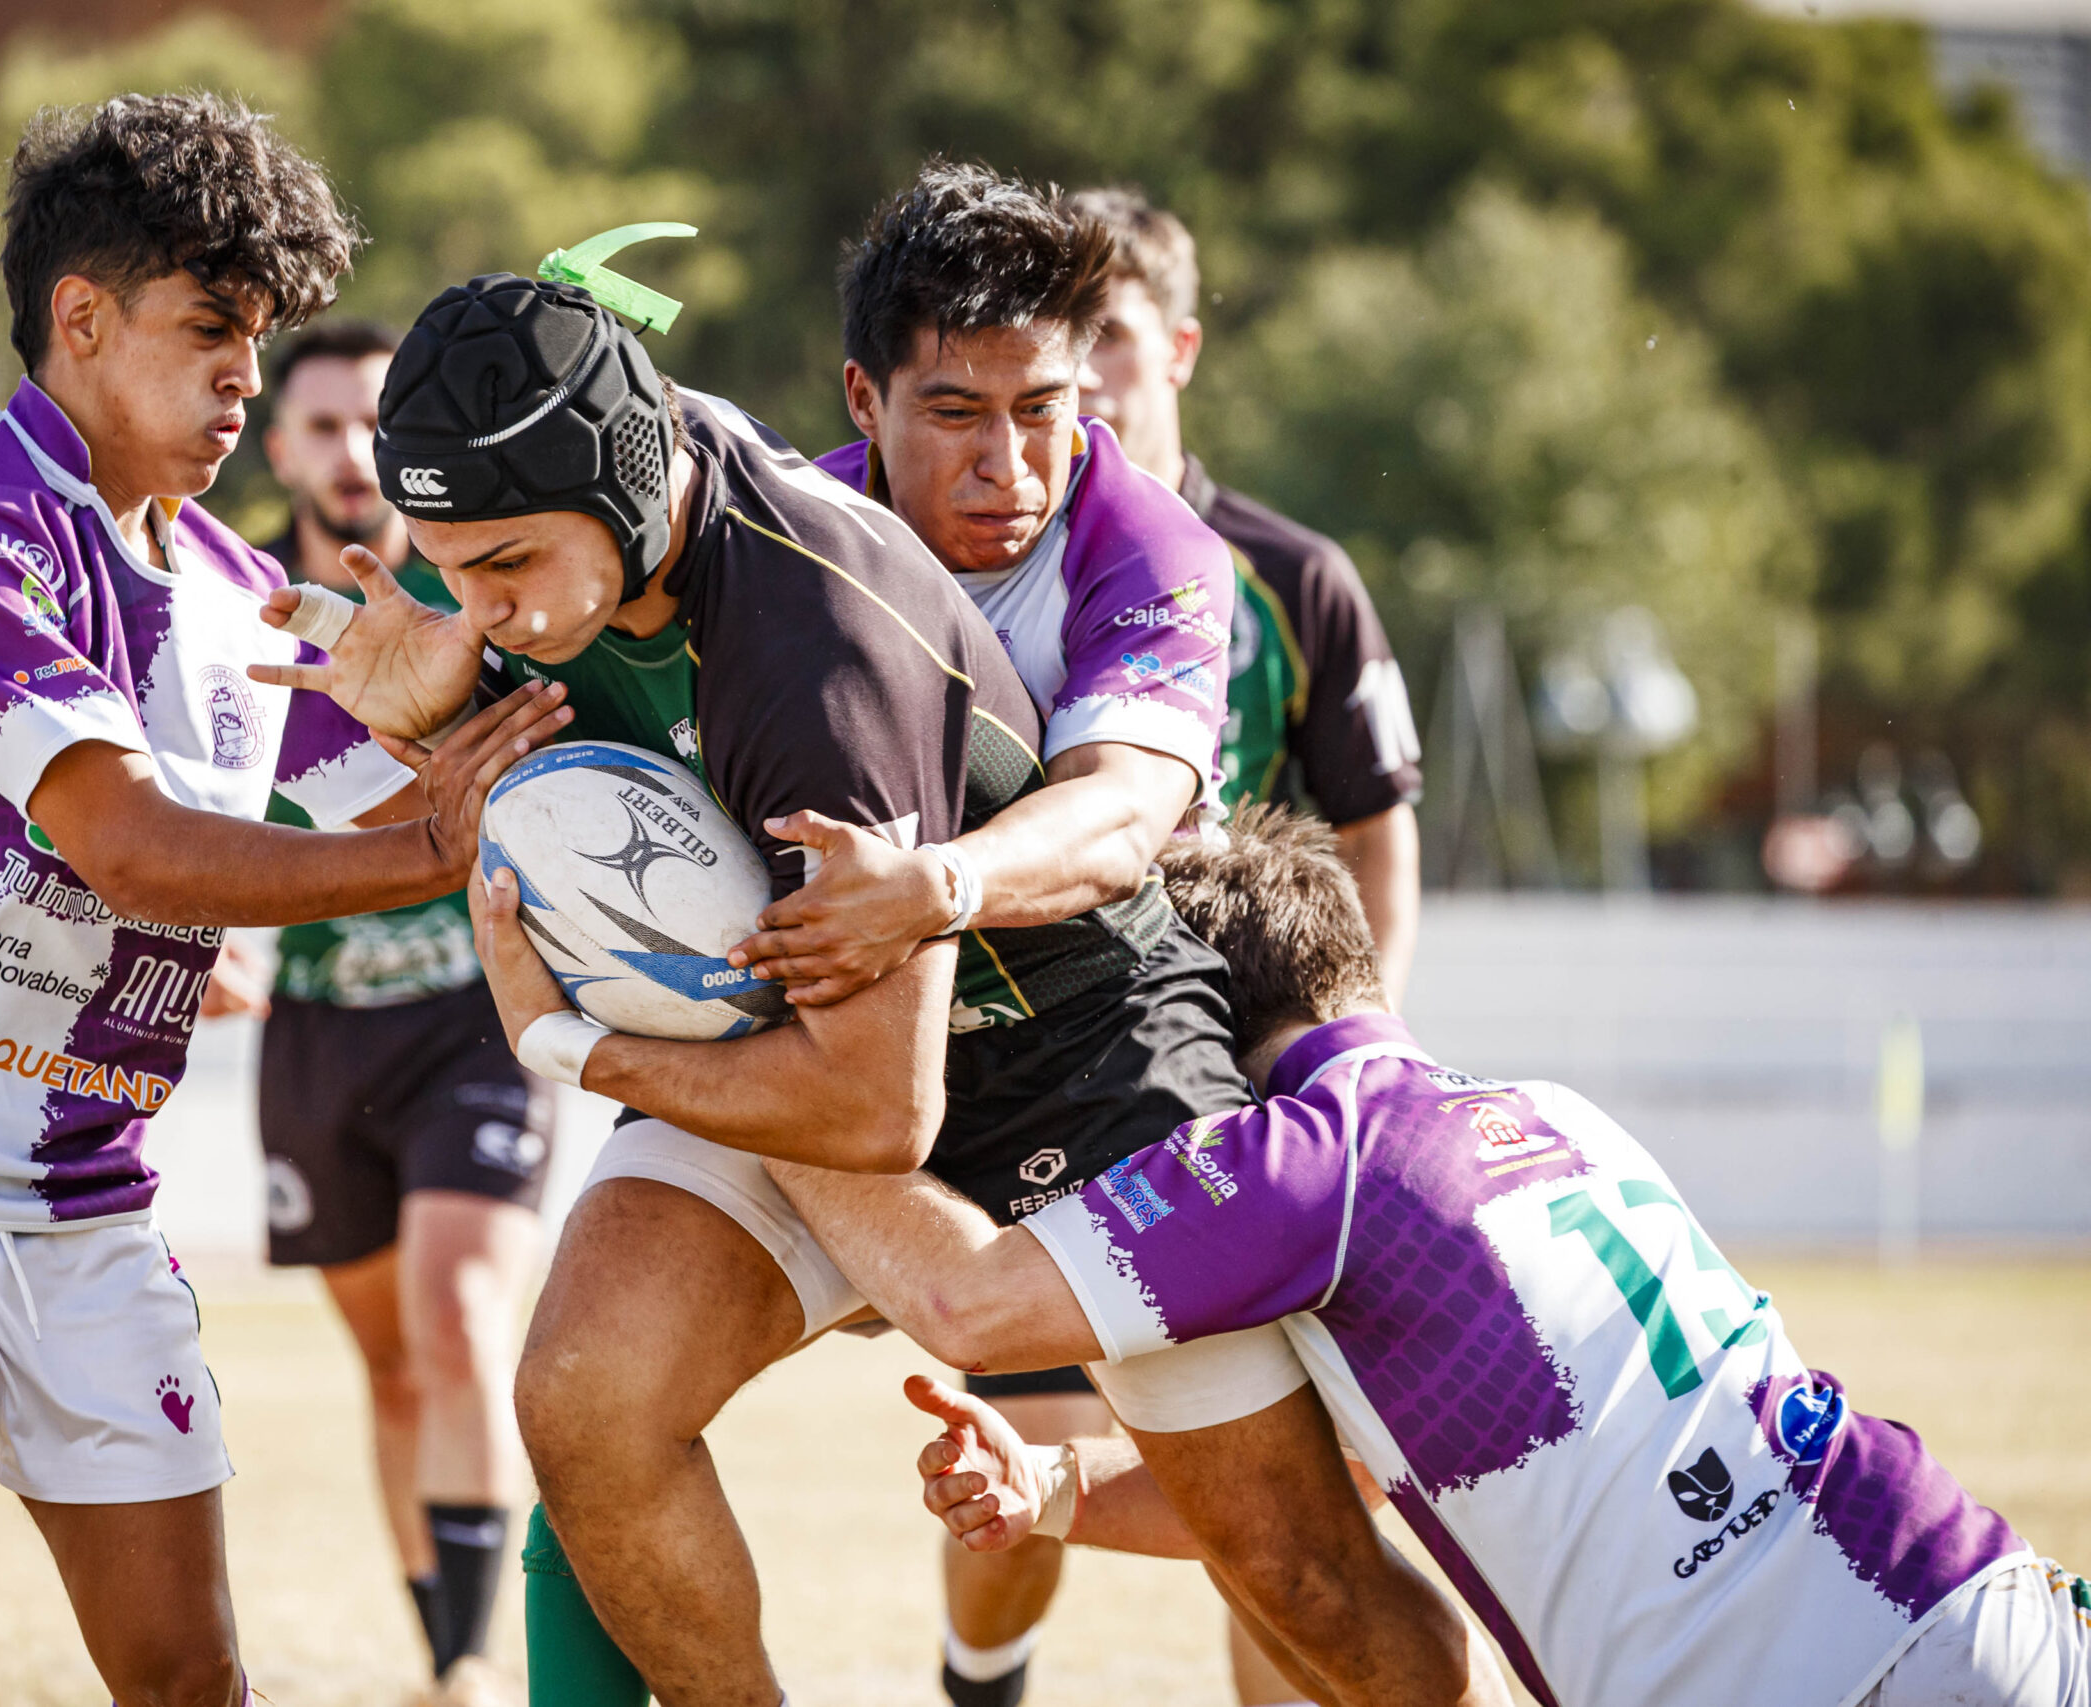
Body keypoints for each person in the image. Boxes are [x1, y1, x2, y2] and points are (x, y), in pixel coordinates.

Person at [263, 259, 1488, 1706]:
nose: (475, 607)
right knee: (589, 1399)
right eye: (451, 564)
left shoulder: (818, 650)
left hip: (1065, 1056)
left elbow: (872, 1115)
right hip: (801, 1021)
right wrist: (441, 728)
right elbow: (575, 794)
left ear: (621, 481)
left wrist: (571, 1047)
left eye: (506, 566)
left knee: (1301, 1573)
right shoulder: (587, 501)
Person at [0, 96, 569, 1707]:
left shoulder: (245, 599)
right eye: (211, 329)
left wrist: (467, 723)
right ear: (79, 321)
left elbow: (448, 816)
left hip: (81, 1201)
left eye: (260, 335)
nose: (246, 374)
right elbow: (136, 845)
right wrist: (447, 833)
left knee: (185, 1669)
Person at [767, 806, 2082, 1707]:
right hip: (1982, 1596)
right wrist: (1058, 1483)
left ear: (1197, 1024)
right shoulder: (1560, 1111)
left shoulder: (1303, 1160)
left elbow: (965, 1298)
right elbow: (1369, 1462)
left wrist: (748, 1086)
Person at [744, 161, 1243, 1707]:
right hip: (830, 1073)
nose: (1011, 457)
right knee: (586, 1387)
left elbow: (1118, 811)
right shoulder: (774, 537)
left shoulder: (1157, 545)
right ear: (862, 395)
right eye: (956, 410)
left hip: (1098, 1060)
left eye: (1043, 407)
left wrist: (935, 884)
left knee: (1289, 1519)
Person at [248, 320, 550, 1705]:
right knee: (388, 1363)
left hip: (474, 1007)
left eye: (375, 423)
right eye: (321, 426)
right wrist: (199, 939)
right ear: (278, 447)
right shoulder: (219, 613)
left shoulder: (479, 590)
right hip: (313, 1031)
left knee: (460, 1310)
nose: (352, 453)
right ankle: (440, 1644)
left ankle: (471, 1663)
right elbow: (158, 816)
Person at [1070, 187, 1425, 1006]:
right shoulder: (994, 552)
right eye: (1068, 336)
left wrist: (1363, 1036)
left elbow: (1375, 826)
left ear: (1181, 349)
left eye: (1113, 334)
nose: (1083, 371)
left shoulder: (1298, 575)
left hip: (1241, 1014)